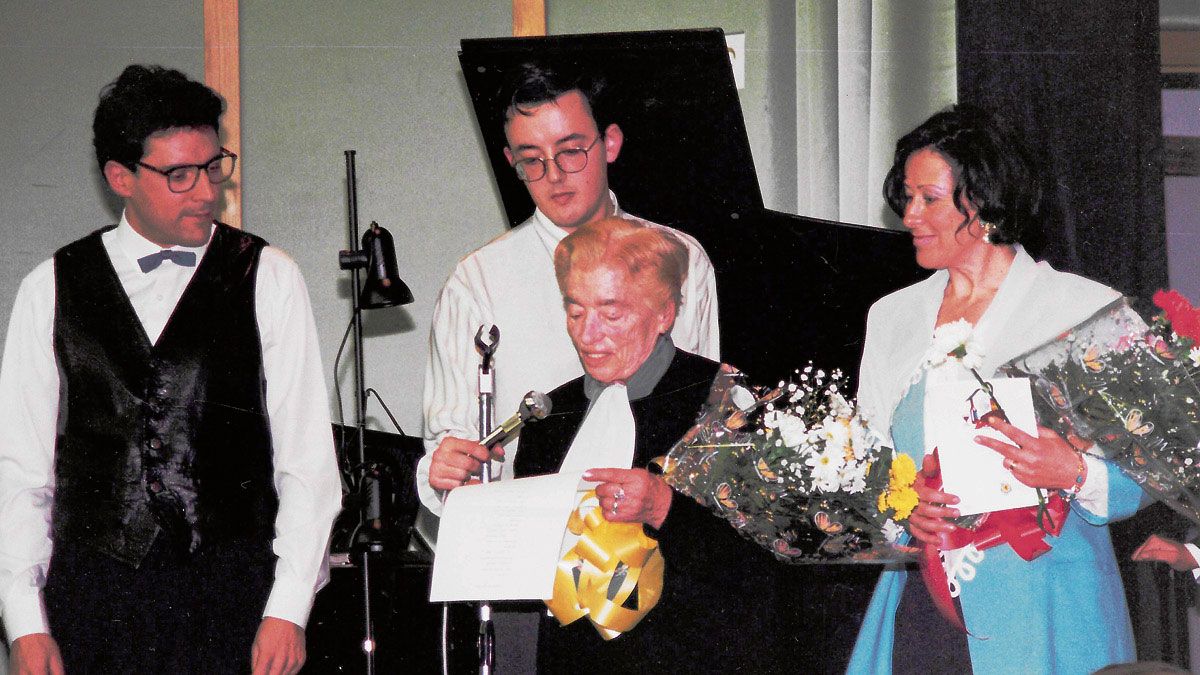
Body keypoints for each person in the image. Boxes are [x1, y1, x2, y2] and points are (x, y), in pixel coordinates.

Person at [0, 65, 342, 674]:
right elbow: (20, 474)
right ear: (119, 178)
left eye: (215, 166)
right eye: (179, 175)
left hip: (235, 599)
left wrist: (288, 608)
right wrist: (25, 623)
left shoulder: (270, 276)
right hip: (92, 603)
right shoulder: (49, 287)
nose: (207, 191)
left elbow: (306, 464)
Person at [848, 105, 1144, 674]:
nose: (910, 214)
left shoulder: (1086, 308)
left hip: (1053, 607)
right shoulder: (891, 317)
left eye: (928, 198)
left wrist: (1076, 473)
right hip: (926, 605)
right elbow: (870, 461)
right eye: (905, 197)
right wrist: (900, 509)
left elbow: (1152, 471)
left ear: (981, 202)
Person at [430, 217, 783, 672]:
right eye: (575, 312)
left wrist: (666, 510)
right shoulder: (549, 413)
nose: (587, 334)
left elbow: (768, 567)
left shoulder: (725, 400)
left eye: (611, 314)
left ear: (664, 314)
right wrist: (467, 495)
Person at [417, 61, 720, 514]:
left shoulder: (682, 258)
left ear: (610, 143)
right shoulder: (476, 282)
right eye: (531, 160)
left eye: (571, 150)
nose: (554, 175)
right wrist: (441, 472)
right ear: (510, 162)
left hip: (650, 549)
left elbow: (706, 425)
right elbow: (448, 450)